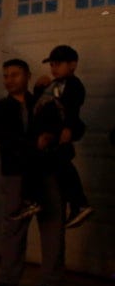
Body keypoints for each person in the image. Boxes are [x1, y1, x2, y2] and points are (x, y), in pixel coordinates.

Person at [0, 58, 66, 286]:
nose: (9, 80)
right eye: (6, 75)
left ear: (27, 76)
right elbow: (5, 137)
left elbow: (58, 126)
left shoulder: (43, 102)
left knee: (52, 227)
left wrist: (47, 138)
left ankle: (52, 283)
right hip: (16, 174)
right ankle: (7, 280)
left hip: (46, 173)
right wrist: (35, 145)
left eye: (15, 74)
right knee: (14, 228)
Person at [31, 45, 91, 228]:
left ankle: (79, 204)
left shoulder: (73, 85)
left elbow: (71, 107)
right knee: (51, 166)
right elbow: (43, 105)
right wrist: (38, 88)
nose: (53, 68)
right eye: (52, 64)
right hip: (50, 136)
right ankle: (37, 200)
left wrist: (68, 128)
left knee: (63, 167)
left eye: (58, 64)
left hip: (59, 135)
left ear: (72, 65)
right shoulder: (55, 85)